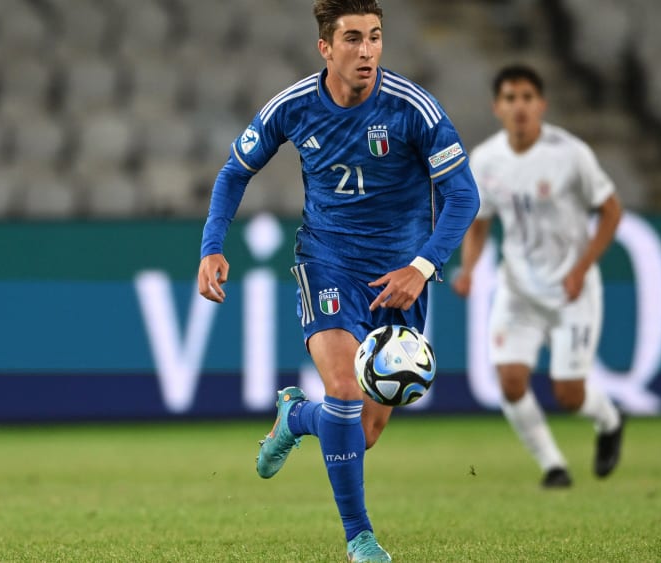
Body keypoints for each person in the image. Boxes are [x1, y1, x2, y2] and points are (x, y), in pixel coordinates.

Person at [198, 1, 479, 560]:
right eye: (353, 39)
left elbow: (464, 196)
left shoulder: (413, 109)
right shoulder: (294, 106)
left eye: (375, 37)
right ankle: (360, 537)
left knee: (363, 432)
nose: (367, 51)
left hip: (400, 278)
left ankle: (294, 415)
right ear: (325, 48)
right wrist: (212, 246)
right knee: (346, 392)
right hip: (327, 262)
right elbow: (234, 172)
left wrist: (422, 267)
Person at [452, 64, 625, 489]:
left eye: (527, 97)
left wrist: (582, 268)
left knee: (570, 395)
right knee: (510, 383)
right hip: (518, 290)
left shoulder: (570, 154)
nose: (519, 107)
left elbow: (611, 211)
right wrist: (469, 269)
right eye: (510, 98)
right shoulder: (486, 160)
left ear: (542, 104)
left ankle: (609, 420)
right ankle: (553, 466)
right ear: (496, 107)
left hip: (571, 290)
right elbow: (479, 223)